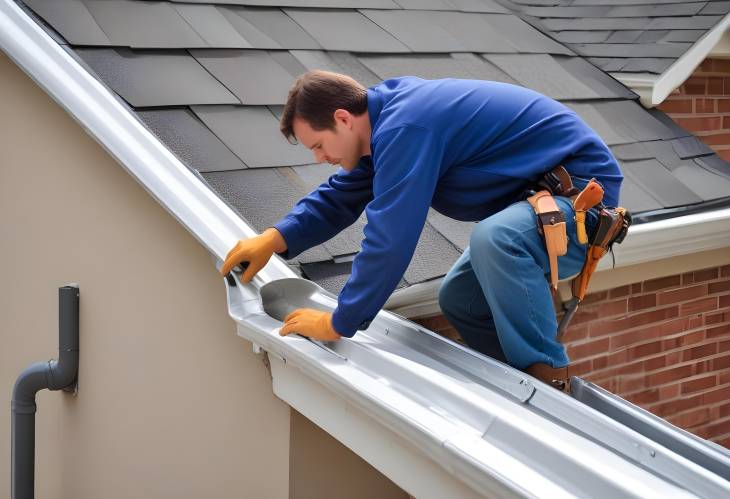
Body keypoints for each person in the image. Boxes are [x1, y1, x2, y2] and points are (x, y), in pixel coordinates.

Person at [219, 70, 624, 390]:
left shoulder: (405, 126)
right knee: (461, 298)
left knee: (495, 239)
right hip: (535, 199)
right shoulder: (383, 125)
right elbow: (340, 197)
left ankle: (549, 383)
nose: (320, 157)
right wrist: (275, 238)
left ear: (342, 118)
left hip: (579, 195)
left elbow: (391, 237)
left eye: (318, 145)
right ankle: (514, 383)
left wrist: (339, 322)